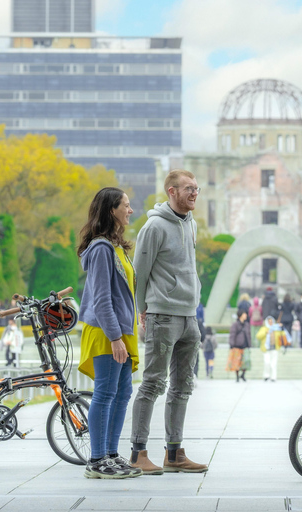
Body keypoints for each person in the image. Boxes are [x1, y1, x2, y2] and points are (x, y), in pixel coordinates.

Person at [130, 169, 208, 475]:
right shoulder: (153, 227)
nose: (194, 193)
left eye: (197, 189)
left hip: (190, 316)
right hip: (162, 315)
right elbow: (139, 273)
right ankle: (138, 452)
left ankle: (174, 453)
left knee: (182, 387)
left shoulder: (192, 225)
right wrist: (141, 313)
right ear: (171, 192)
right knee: (152, 384)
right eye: (188, 188)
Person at [77, 187, 141, 479]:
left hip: (121, 330)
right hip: (106, 332)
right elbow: (102, 298)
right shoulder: (101, 248)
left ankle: (112, 455)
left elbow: (123, 293)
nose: (130, 210)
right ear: (111, 210)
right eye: (126, 206)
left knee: (123, 392)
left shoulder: (117, 248)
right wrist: (115, 337)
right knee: (105, 393)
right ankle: (96, 460)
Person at [226, 310, 251, 382]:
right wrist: (232, 344)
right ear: (240, 315)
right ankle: (237, 376)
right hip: (237, 346)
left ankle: (243, 374)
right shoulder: (235, 325)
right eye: (244, 314)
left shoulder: (246, 324)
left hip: (245, 346)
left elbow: (248, 335)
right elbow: (232, 335)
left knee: (246, 361)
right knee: (236, 362)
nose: (246, 315)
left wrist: (249, 344)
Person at [257, 316, 283, 382]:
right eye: (269, 321)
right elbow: (258, 336)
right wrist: (266, 332)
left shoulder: (276, 328)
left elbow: (282, 335)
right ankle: (266, 375)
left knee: (273, 363)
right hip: (266, 349)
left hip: (275, 348)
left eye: (271, 321)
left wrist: (281, 327)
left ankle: (273, 377)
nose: (270, 323)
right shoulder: (264, 328)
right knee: (267, 362)